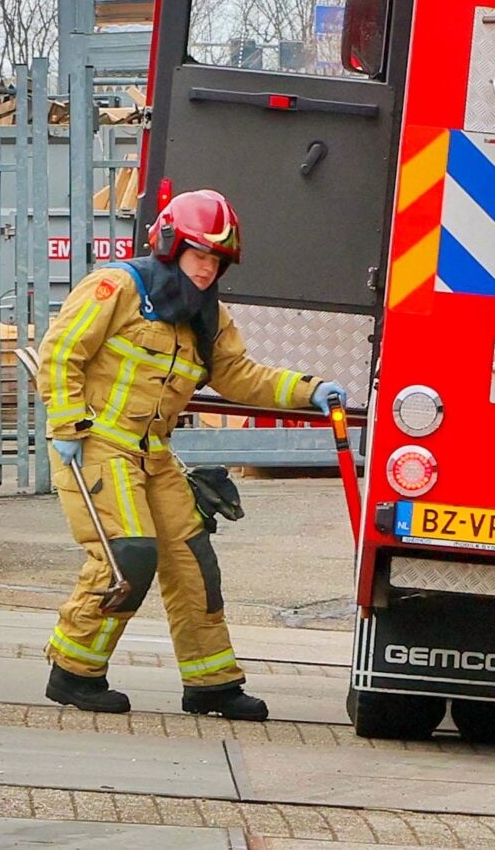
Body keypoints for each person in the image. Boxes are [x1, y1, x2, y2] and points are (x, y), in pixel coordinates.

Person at [38, 190, 342, 721]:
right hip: (96, 444)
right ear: (171, 246)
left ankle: (211, 685)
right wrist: (67, 423)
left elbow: (237, 375)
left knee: (194, 564)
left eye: (216, 260)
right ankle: (75, 670)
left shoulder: (209, 315)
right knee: (128, 555)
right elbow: (62, 353)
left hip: (154, 455)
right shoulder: (116, 288)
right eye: (199, 254)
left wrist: (307, 389)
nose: (207, 268)